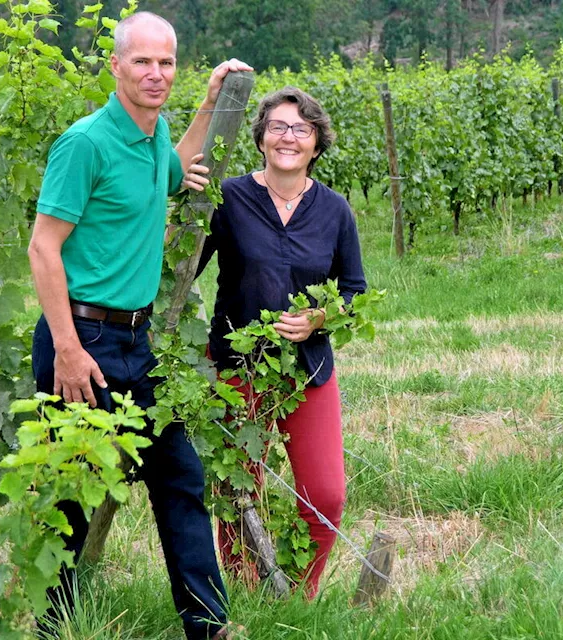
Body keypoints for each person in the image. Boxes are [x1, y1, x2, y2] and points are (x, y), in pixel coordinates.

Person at [26, 11, 249, 640]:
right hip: (83, 341)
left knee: (180, 476)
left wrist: (207, 107)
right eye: (143, 61)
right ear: (116, 65)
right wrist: (66, 349)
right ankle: (54, 629)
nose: (156, 74)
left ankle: (209, 628)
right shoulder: (86, 143)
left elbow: (172, 173)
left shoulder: (153, 138)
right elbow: (44, 248)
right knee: (70, 493)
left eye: (167, 62)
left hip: (136, 340)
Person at [197, 87, 366, 598]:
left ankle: (297, 594)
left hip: (308, 369)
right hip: (237, 368)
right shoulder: (228, 199)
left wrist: (319, 318)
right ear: (261, 137)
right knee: (236, 491)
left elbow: (354, 292)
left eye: (301, 129)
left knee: (326, 495)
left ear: (317, 142)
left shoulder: (335, 211)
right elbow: (180, 268)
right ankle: (251, 593)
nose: (288, 137)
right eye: (278, 127)